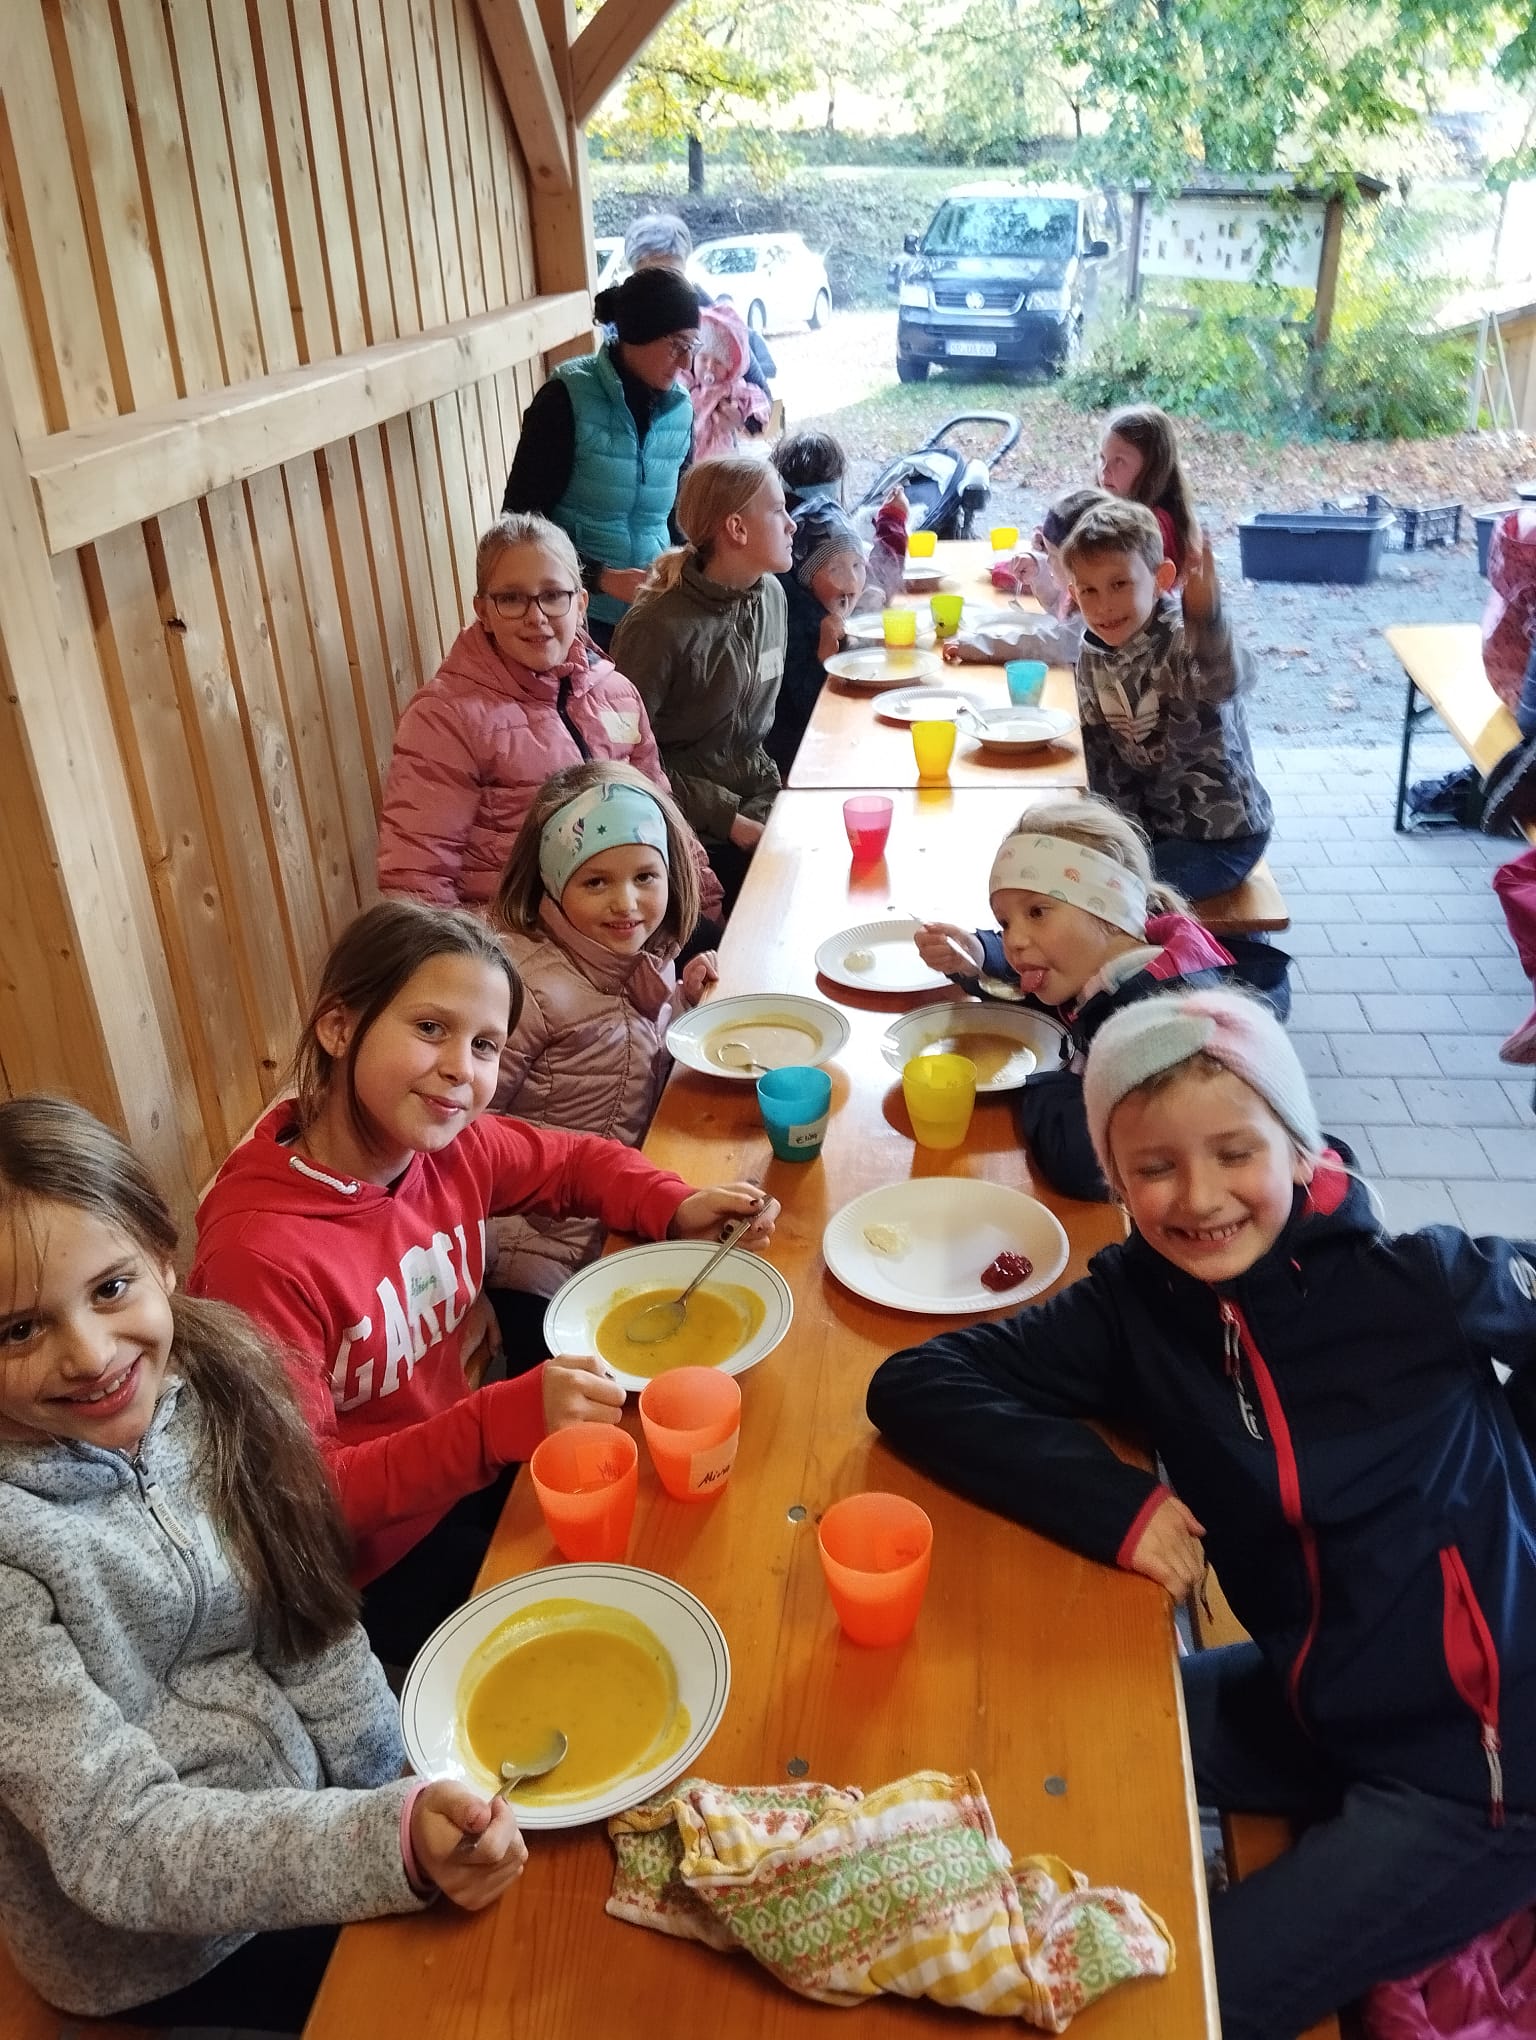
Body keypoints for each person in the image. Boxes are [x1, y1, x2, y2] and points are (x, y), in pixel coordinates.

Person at [867, 986, 1536, 2040]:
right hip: (1317, 1695)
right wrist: (1121, 1507)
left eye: (1235, 1152)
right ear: (1115, 1176)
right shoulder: (1139, 1305)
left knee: (1176, 2007)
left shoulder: (1415, 1283)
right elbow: (917, 1384)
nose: (1200, 1196)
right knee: (1042, 1739)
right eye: (1155, 1167)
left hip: (1483, 1769)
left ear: (1298, 1149)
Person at [0, 1096, 525, 2033]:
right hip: (170, 1949)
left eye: (110, 1288)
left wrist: (400, 1789)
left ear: (164, 1257)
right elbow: (119, 1841)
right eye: (17, 1331)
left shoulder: (220, 1382)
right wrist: (388, 1840)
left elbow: (308, 1619)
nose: (89, 1354)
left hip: (325, 1813)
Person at [189, 899, 776, 1665]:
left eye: (486, 1045)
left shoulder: (444, 1146)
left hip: (459, 1486)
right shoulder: (258, 1255)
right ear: (337, 1027)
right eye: (431, 1028)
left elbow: (572, 1163)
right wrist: (495, 1424)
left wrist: (674, 1203)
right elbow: (306, 1493)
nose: (461, 1069)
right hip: (364, 1582)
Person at [375, 512, 721, 924]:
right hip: (522, 941)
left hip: (628, 921)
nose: (536, 616)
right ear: (483, 611)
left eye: (554, 595)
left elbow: (662, 814)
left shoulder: (617, 692)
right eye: (511, 598)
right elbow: (418, 879)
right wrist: (481, 960)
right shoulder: (445, 717)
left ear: (581, 603)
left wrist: (706, 907)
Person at [484, 763, 717, 1353]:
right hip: (532, 1260)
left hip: (617, 1219)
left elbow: (630, 1057)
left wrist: (682, 1003)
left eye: (645, 876)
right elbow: (463, 1136)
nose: (626, 902)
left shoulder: (642, 956)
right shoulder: (525, 990)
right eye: (595, 882)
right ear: (551, 884)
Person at [912, 795, 1245, 1200]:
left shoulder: (1158, 1020)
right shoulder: (1110, 972)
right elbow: (1038, 1002)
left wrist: (1041, 1074)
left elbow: (1083, 1162)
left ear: (1109, 911)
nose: (1014, 940)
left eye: (1037, 912)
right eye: (1005, 922)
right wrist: (976, 957)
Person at [1060, 498, 1273, 898]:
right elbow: (1104, 763)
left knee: (1106, 894)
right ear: (1073, 592)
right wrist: (1112, 840)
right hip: (1157, 831)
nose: (1104, 605)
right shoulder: (1092, 652)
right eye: (1089, 590)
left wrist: (1207, 621)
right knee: (1066, 871)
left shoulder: (1182, 638)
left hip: (1222, 838)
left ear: (1161, 578)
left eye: (1119, 584)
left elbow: (1226, 681)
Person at [610, 456, 793, 912]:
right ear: (736, 528)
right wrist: (727, 818)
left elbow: (750, 740)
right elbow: (621, 759)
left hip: (758, 801)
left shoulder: (772, 597)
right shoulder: (655, 626)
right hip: (686, 830)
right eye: (778, 511)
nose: (792, 524)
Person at [501, 267, 699, 648]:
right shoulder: (565, 399)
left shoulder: (681, 411)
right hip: (573, 616)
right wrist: (602, 577)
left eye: (693, 347)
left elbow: (682, 517)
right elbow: (519, 525)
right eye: (677, 346)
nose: (686, 364)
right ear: (638, 333)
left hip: (654, 611)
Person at [944, 486, 1107, 669]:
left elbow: (1051, 643)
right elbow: (1060, 606)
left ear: (1077, 562)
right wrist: (1037, 571)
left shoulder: (1099, 613)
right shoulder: (1087, 589)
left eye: (1052, 555)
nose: (1048, 561)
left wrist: (977, 645)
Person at [623, 211, 776, 396]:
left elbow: (765, 394)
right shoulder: (619, 329)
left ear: (685, 269)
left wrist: (743, 414)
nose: (662, 291)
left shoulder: (715, 321)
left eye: (672, 277)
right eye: (649, 281)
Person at [1096, 404, 1200, 578]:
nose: (1104, 470)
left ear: (1152, 469)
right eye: (1102, 458)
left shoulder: (1153, 527)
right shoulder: (1110, 510)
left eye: (1119, 461)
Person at [682, 302, 770, 460]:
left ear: (731, 368)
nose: (709, 366)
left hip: (723, 456)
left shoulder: (733, 387)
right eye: (703, 358)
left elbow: (759, 401)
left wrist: (744, 419)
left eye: (718, 362)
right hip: (690, 457)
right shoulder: (685, 383)